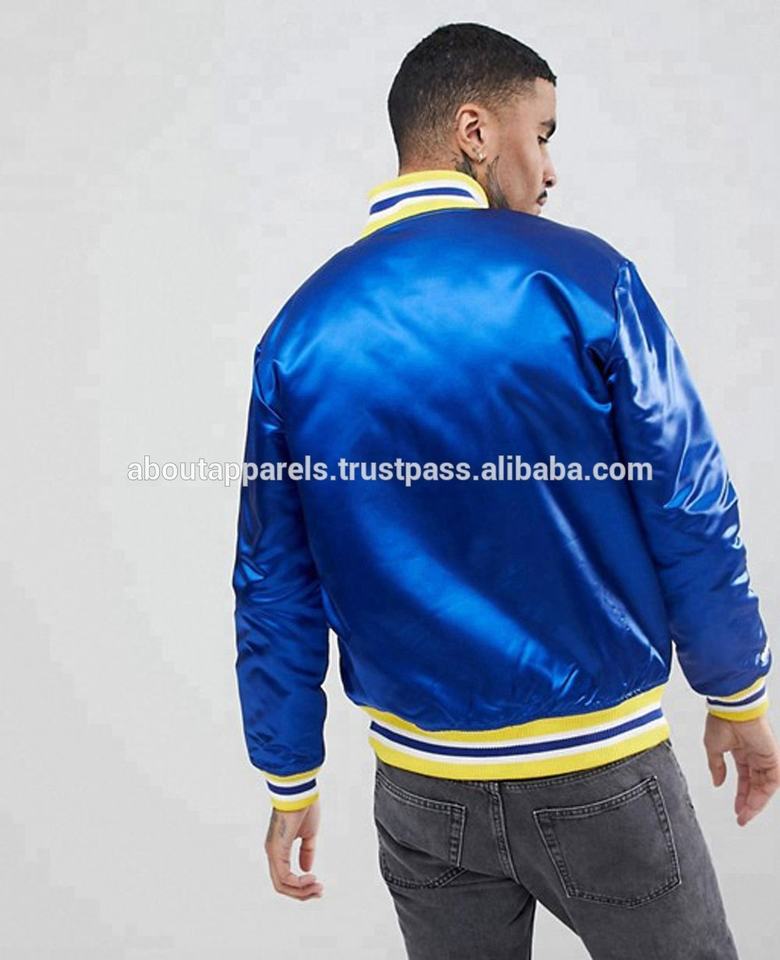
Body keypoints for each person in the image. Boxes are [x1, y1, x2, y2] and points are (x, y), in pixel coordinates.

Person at [231, 21, 778, 959]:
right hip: (601, 774)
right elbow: (687, 499)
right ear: (476, 131)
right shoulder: (587, 279)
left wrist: (291, 777)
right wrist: (736, 690)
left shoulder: (300, 332)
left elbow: (273, 577)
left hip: (421, 793)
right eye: (544, 133)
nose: (551, 168)